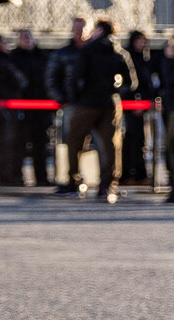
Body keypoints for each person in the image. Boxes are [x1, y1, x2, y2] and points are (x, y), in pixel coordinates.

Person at [51, 19, 135, 203]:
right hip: (110, 103)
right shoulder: (119, 52)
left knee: (74, 142)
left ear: (98, 31)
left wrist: (75, 97)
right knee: (111, 145)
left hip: (86, 103)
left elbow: (76, 77)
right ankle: (107, 185)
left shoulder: (87, 51)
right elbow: (131, 82)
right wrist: (116, 90)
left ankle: (74, 179)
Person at [15, 29, 61, 187]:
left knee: (41, 143)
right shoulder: (15, 57)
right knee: (19, 143)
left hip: (41, 107)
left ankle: (41, 177)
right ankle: (17, 176)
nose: (26, 40)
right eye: (23, 37)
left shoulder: (43, 57)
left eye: (28, 37)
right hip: (22, 107)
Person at [0, 34, 35, 186]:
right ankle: (1, 176)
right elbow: (16, 79)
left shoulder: (5, 59)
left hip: (8, 103)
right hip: (5, 104)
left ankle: (3, 175)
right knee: (6, 140)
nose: (7, 45)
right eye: (4, 42)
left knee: (8, 141)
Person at [124, 31, 156, 186]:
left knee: (139, 140)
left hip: (140, 105)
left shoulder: (144, 60)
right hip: (131, 107)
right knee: (131, 141)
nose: (141, 44)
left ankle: (137, 173)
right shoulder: (129, 59)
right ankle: (131, 173)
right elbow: (132, 85)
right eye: (139, 41)